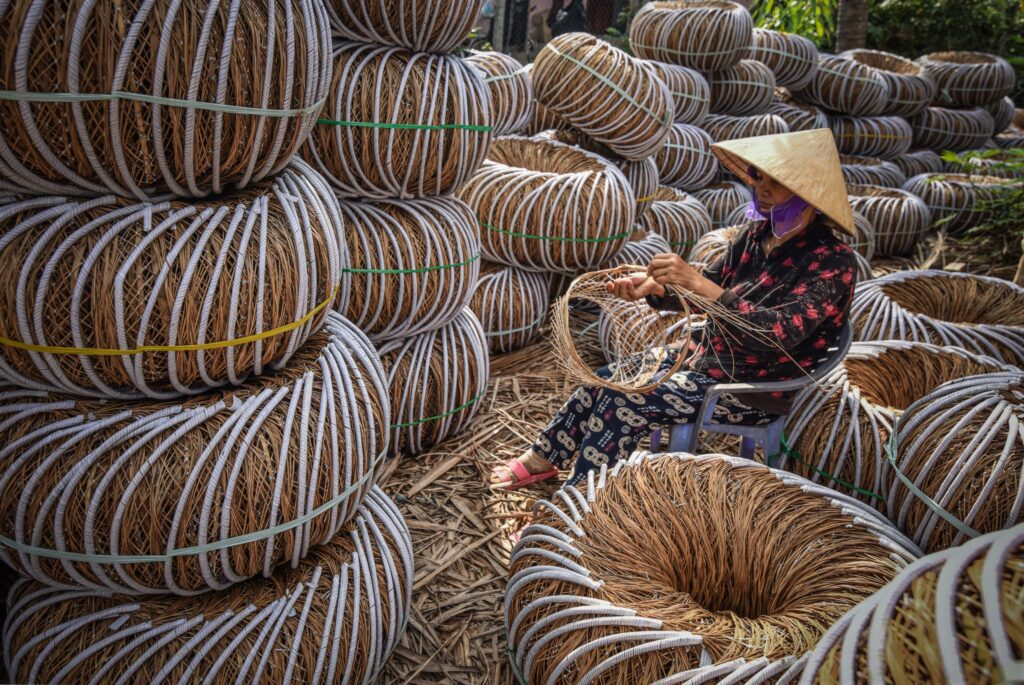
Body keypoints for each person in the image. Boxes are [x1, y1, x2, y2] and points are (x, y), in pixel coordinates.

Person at [490, 128, 859, 489]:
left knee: (625, 400)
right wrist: (657, 290)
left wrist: (698, 282)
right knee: (604, 379)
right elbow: (700, 295)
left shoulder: (832, 262)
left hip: (753, 385)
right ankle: (543, 459)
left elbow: (777, 335)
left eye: (775, 183)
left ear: (807, 196)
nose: (761, 187)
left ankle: (585, 500)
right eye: (758, 176)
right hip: (705, 358)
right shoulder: (755, 237)